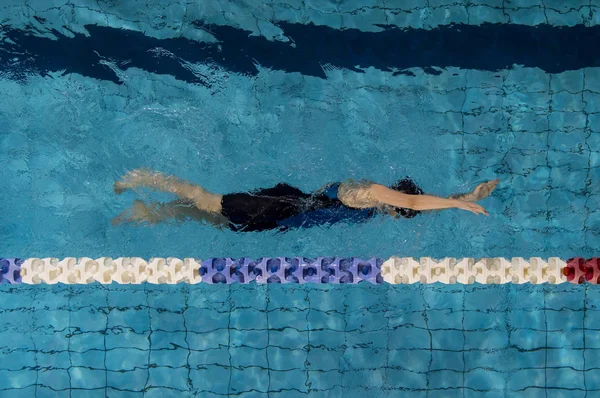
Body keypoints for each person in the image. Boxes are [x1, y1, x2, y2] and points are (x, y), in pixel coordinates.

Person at [112, 169, 499, 232]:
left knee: (214, 221)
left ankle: (149, 211)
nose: (391, 211)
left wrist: (465, 197)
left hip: (282, 222)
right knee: (206, 200)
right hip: (275, 206)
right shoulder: (361, 192)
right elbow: (413, 205)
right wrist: (460, 205)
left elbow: (414, 206)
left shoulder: (382, 206)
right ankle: (145, 178)